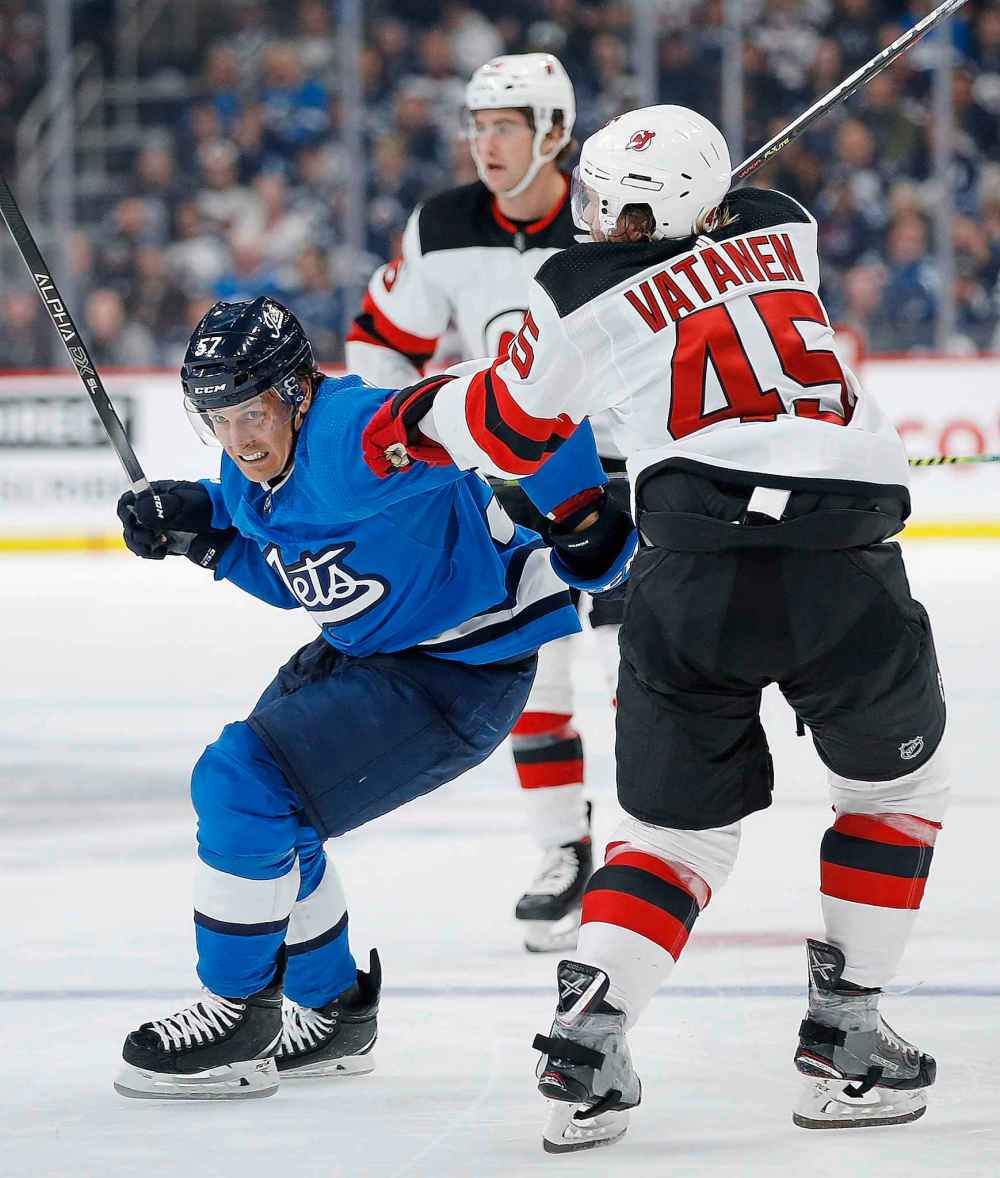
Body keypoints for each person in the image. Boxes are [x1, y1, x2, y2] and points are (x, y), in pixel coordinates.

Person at [363, 106, 949, 1149]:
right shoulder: (786, 228)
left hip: (688, 573)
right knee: (894, 794)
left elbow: (506, 429)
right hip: (844, 564)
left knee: (674, 836)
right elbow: (738, 218)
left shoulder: (573, 289)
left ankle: (588, 1042)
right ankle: (848, 1040)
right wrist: (694, 217)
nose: (587, 214)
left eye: (601, 199)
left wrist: (415, 416)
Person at [111, 296, 635, 1101]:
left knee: (240, 782)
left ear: (295, 394)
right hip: (377, 651)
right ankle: (332, 1014)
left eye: (251, 413)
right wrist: (203, 530)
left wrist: (582, 509)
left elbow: (520, 398)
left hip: (457, 671)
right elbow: (304, 572)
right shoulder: (251, 467)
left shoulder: (360, 435)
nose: (239, 439)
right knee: (269, 816)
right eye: (218, 419)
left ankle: (237, 1014)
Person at [347, 53, 627, 954]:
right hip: (506, 475)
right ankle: (562, 851)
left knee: (636, 668)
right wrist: (411, 435)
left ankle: (645, 851)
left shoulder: (608, 216)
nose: (486, 143)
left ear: (556, 133)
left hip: (618, 471)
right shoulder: (442, 224)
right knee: (532, 666)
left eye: (506, 125)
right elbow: (381, 338)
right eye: (477, 125)